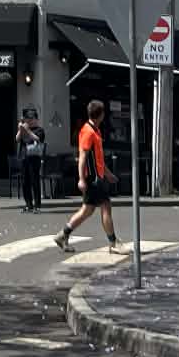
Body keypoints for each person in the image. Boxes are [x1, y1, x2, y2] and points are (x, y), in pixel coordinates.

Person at [56, 100, 122, 253]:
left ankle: (62, 235)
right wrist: (81, 179)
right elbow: (83, 157)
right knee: (106, 207)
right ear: (101, 115)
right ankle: (113, 243)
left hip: (97, 176)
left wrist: (108, 174)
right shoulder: (88, 132)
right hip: (93, 179)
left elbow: (98, 159)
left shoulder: (95, 131)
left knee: (87, 210)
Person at [15, 109, 47, 212]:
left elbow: (38, 139)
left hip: (34, 158)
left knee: (35, 181)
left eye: (31, 118)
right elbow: (17, 139)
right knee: (25, 182)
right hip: (23, 157)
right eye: (27, 118)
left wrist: (28, 130)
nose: (29, 120)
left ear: (36, 119)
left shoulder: (39, 130)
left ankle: (37, 205)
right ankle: (28, 204)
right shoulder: (23, 129)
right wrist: (20, 129)